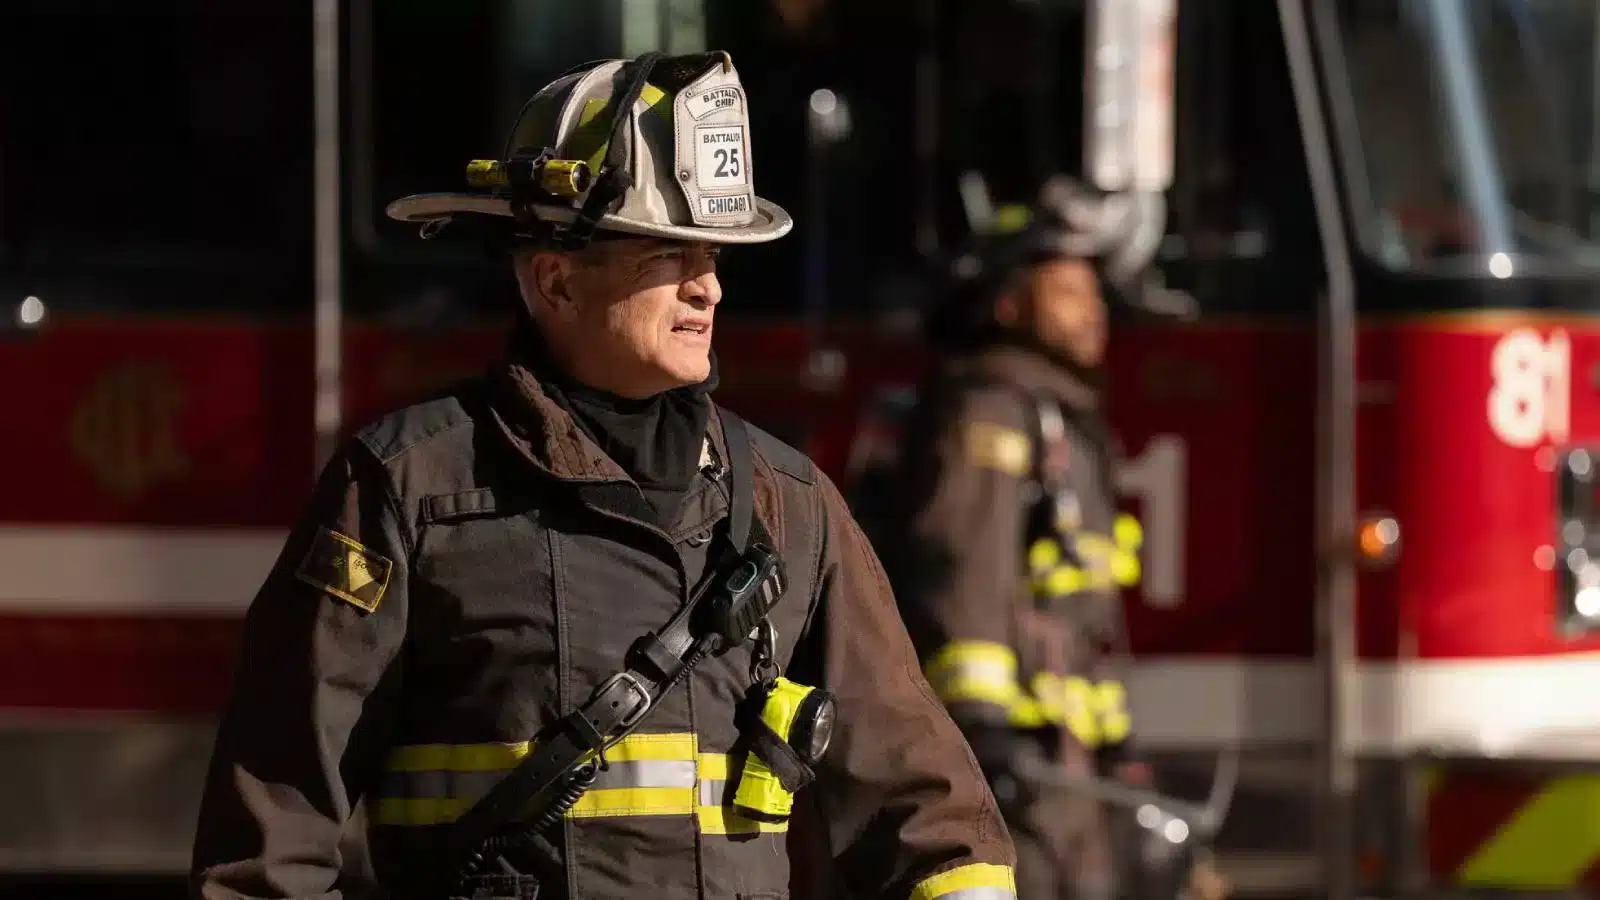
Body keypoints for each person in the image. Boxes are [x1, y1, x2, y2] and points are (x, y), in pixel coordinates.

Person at [191, 51, 1016, 900]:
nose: (708, 289)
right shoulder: (409, 490)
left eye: (715, 255)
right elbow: (272, 834)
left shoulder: (788, 503)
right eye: (669, 256)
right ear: (557, 281)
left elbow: (923, 802)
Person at [878, 180, 1153, 900]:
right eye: (1067, 293)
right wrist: (981, 725)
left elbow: (1078, 611)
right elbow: (964, 570)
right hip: (1014, 762)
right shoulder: (990, 411)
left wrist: (1115, 739)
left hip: (1066, 763)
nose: (1092, 312)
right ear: (1008, 306)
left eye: (1093, 294)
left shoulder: (1062, 418)